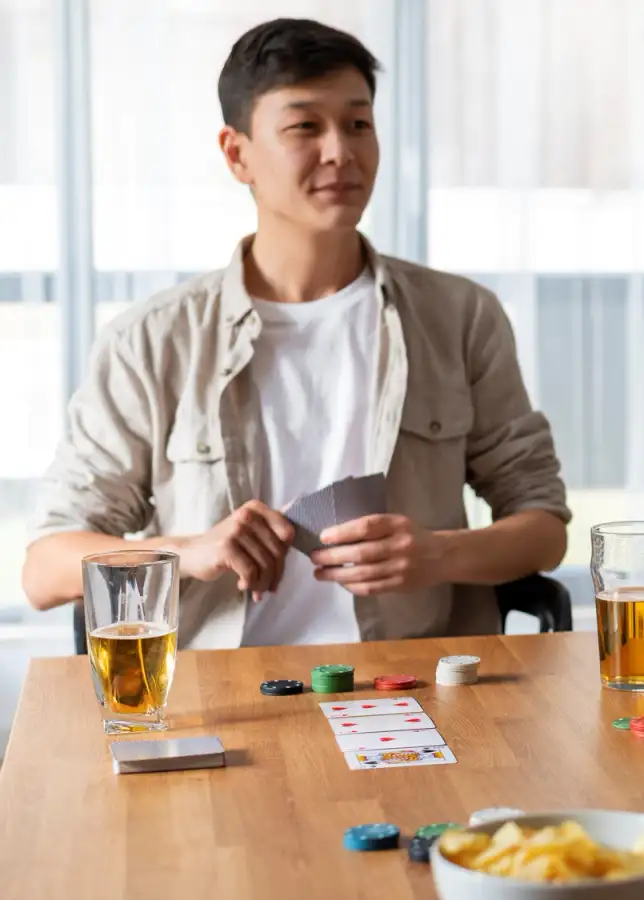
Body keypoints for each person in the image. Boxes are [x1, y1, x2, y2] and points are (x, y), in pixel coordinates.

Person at [21, 18, 569, 649]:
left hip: (414, 685)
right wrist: (188, 551)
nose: (341, 151)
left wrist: (437, 555)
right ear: (237, 153)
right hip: (222, 694)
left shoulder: (461, 316)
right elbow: (45, 569)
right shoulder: (150, 341)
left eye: (358, 123)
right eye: (305, 126)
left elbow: (544, 527)